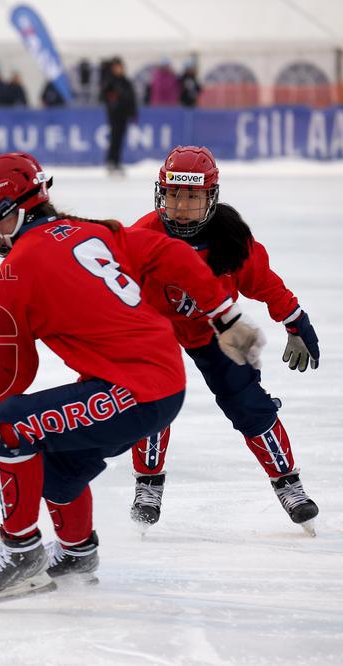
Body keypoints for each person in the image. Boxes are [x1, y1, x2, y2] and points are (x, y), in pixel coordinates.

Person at [0, 152, 264, 607]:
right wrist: (224, 314)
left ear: (6, 208)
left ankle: (20, 550)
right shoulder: (95, 231)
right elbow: (171, 252)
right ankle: (76, 553)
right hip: (157, 383)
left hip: (135, 390)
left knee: (12, 424)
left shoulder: (14, 272)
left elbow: (16, 370)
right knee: (56, 467)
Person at [128, 146, 320, 534]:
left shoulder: (231, 239)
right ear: (161, 195)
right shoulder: (142, 235)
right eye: (174, 195)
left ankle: (288, 483)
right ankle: (148, 484)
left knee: (249, 404)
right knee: (150, 398)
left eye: (193, 197)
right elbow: (112, 283)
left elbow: (264, 283)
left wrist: (294, 319)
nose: (181, 206)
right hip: (155, 331)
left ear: (211, 198)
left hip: (216, 329)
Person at [100, 58, 137, 174]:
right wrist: (112, 103)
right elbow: (104, 96)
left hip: (123, 115)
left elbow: (131, 98)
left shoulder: (126, 82)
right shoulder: (110, 82)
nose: (119, 70)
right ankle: (111, 161)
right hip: (114, 115)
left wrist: (133, 112)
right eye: (116, 67)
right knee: (115, 138)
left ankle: (117, 161)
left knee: (120, 139)